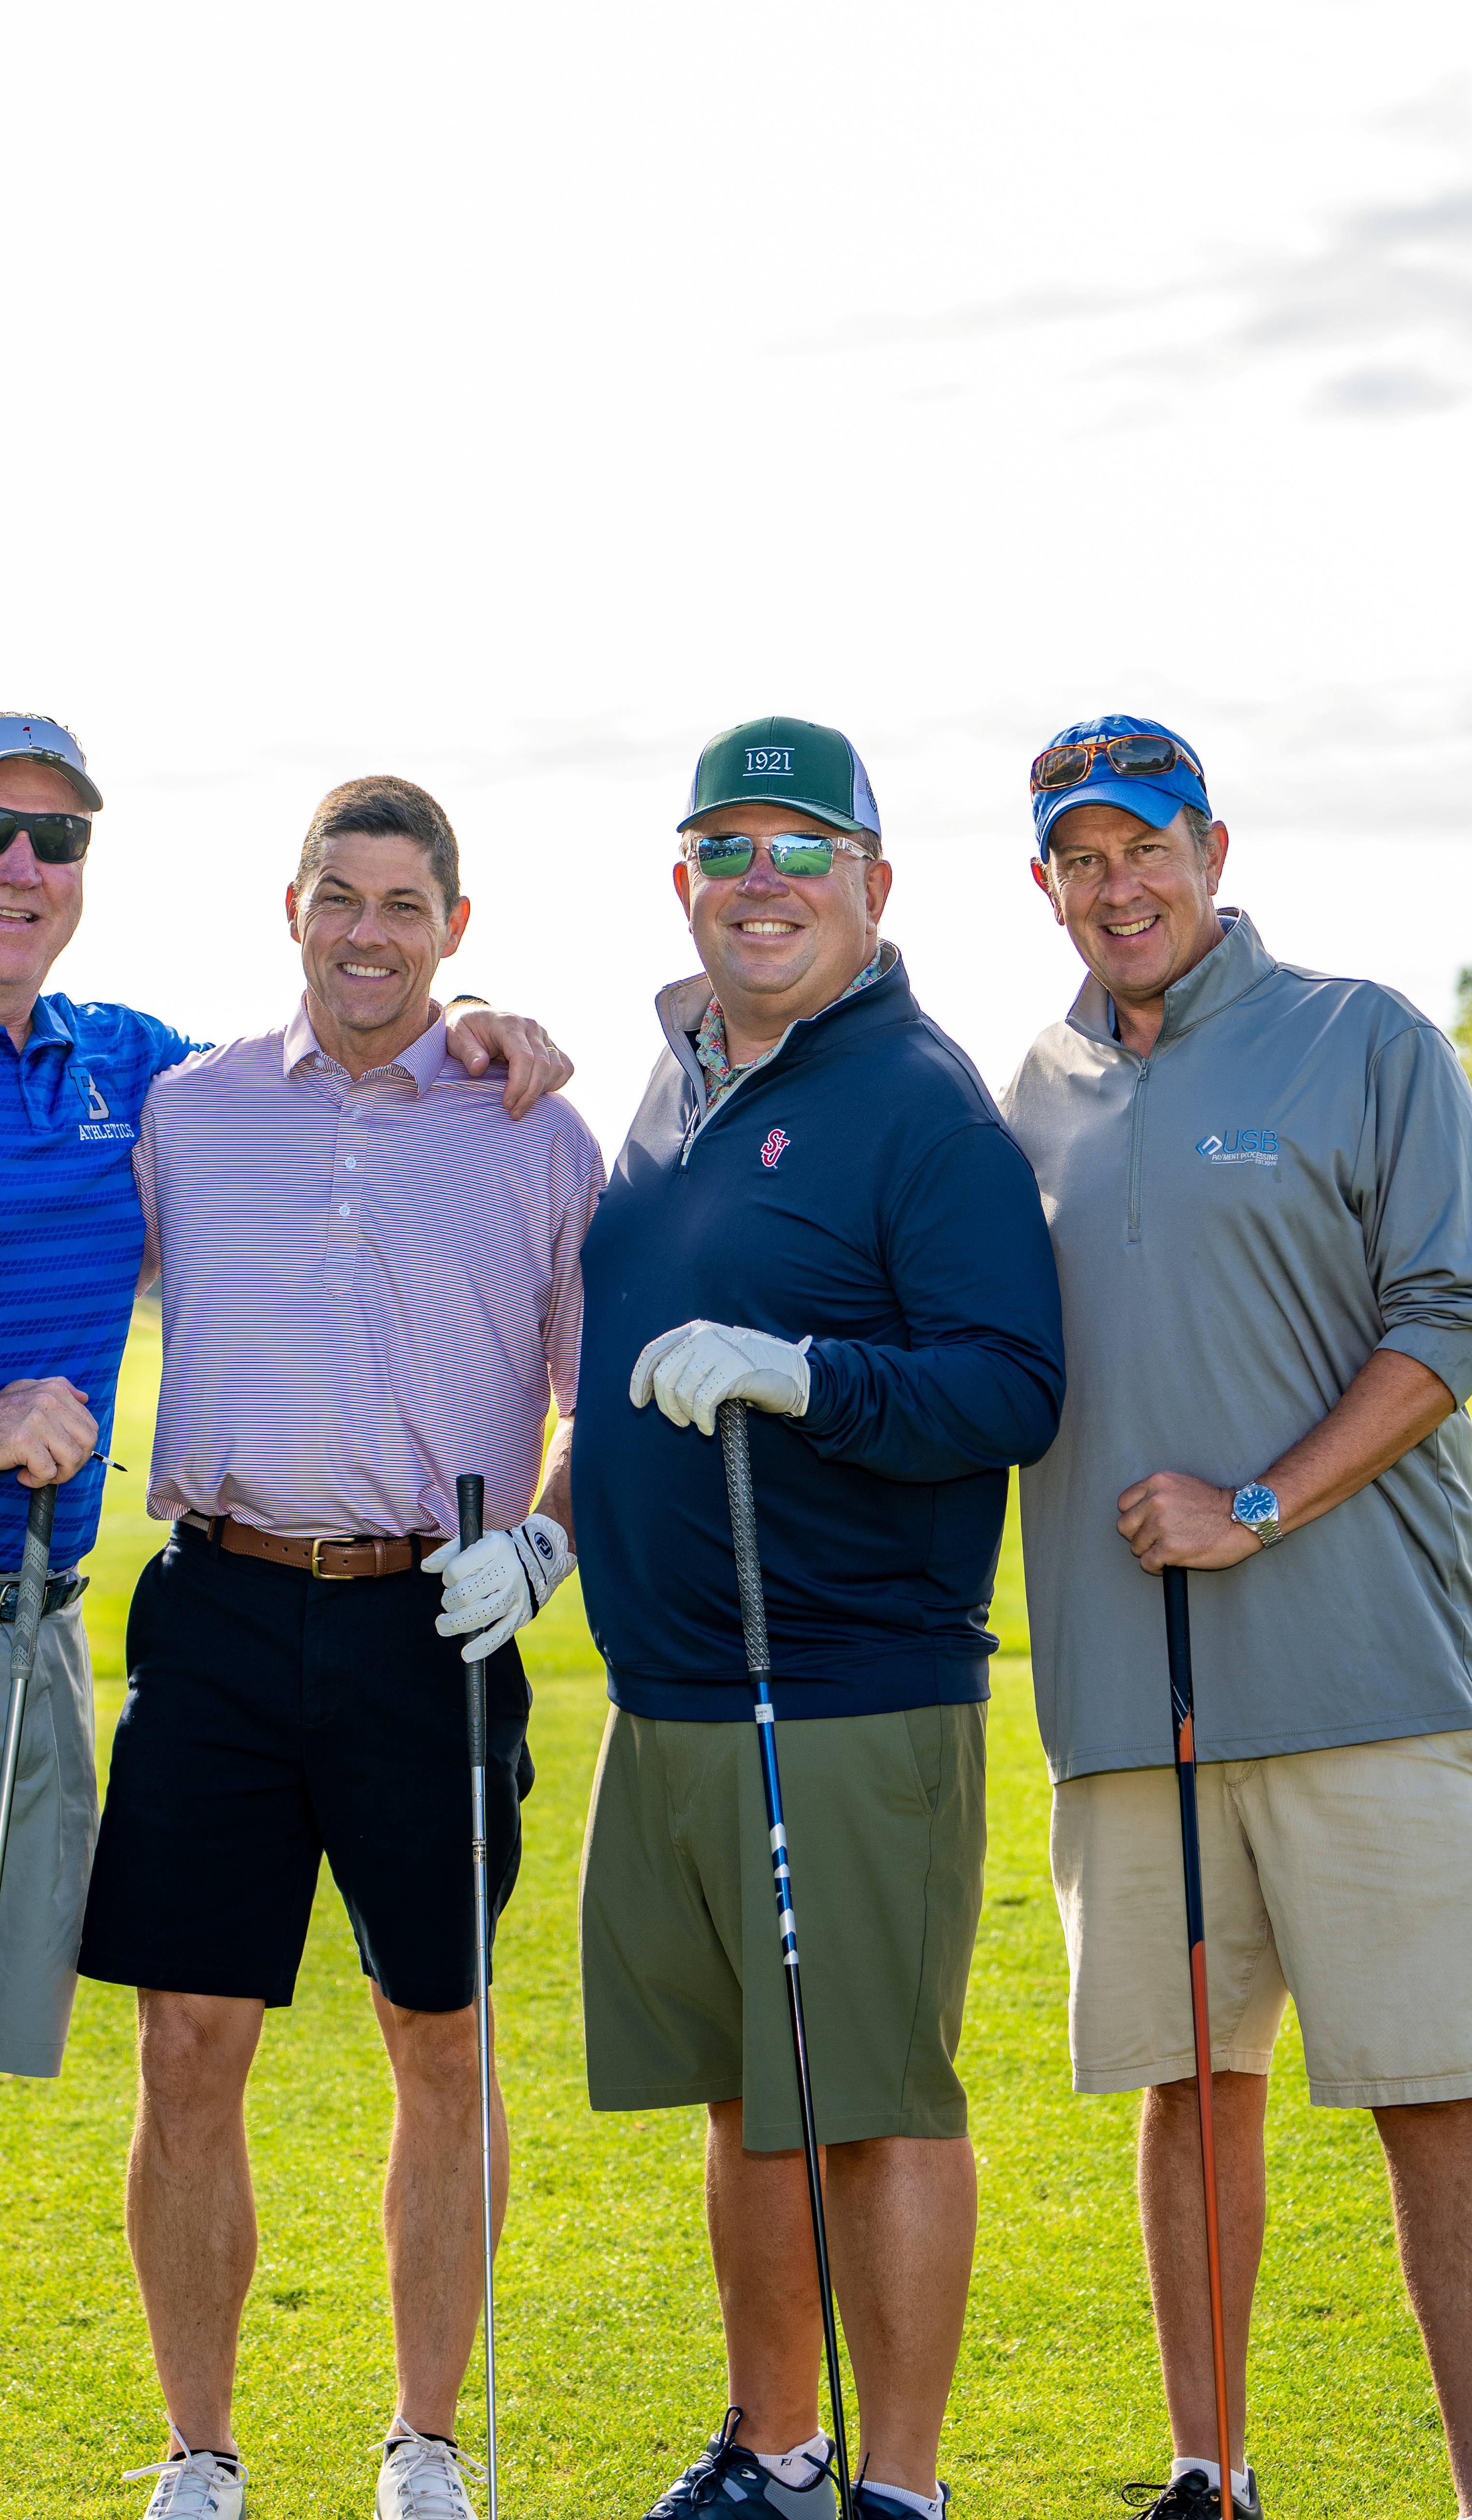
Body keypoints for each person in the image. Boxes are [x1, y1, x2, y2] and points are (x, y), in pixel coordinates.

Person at [0, 716, 567, 2520]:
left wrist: (494, 1029)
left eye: (56, 841)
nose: (22, 868)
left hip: (144, 1632)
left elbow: (554, 1340)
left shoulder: (160, 1080)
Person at [997, 716, 1472, 2520]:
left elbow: (1461, 1311)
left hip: (1362, 1677)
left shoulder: (1363, 1040)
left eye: (1145, 844)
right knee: (1190, 2090)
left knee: (1432, 2096)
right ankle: (1208, 2476)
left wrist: (1257, 1508)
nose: (1118, 884)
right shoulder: (1027, 1097)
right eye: (1081, 856)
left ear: (1214, 849)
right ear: (1047, 885)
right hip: (1124, 1700)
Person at [82, 776, 601, 2520]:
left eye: (404, 905)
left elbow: (597, 1407)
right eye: (339, 898)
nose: (368, 933)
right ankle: (201, 2455)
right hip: (219, 1613)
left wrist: (546, 1546)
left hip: (432, 1626)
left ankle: (428, 2446)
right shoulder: (183, 1110)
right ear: (288, 908)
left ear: (456, 926)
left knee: (439, 2037)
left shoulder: (537, 1129)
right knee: (186, 2047)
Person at [567, 717, 1066, 2520]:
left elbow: (1012, 1387)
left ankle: (899, 2489)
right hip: (676, 1693)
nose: (761, 883)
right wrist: (554, 1537)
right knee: (744, 2096)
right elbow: (626, 1374)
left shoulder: (918, 1101)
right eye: (728, 848)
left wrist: (806, 1372)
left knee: (871, 2101)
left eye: (800, 850)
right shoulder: (668, 1082)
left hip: (845, 1690)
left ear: (873, 881)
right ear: (683, 878)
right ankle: (776, 2452)